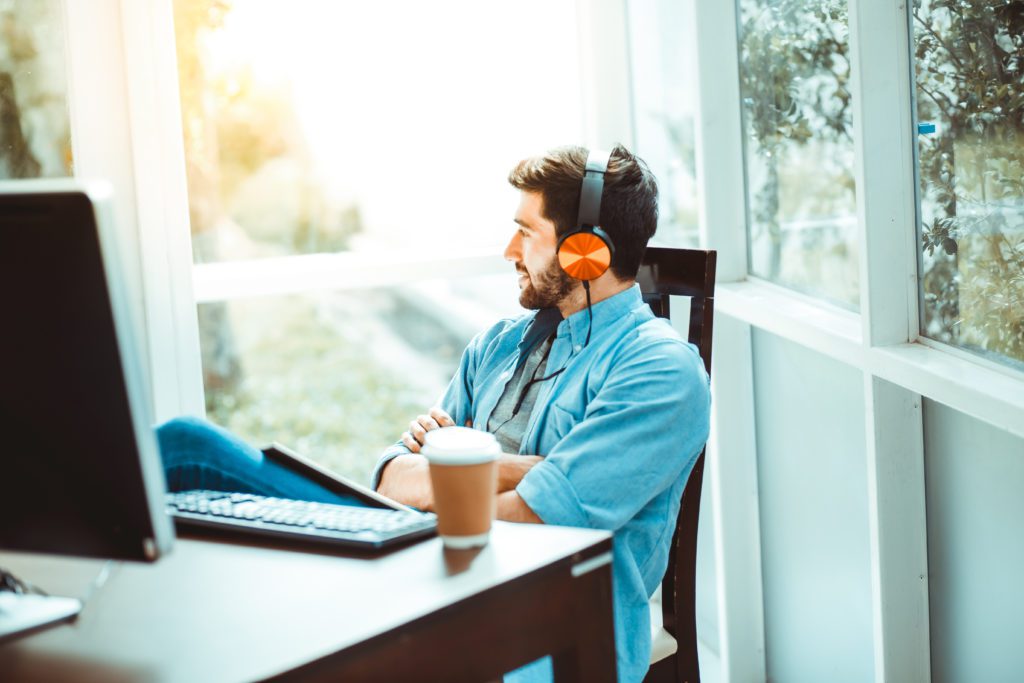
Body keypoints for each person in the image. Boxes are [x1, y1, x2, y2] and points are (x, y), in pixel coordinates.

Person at [157, 144, 710, 683]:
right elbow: (391, 478)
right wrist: (527, 467)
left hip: (547, 625)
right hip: (418, 570)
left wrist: (442, 474)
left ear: (585, 251)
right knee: (186, 448)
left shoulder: (661, 372)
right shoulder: (497, 344)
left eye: (526, 231)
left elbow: (541, 521)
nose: (509, 250)